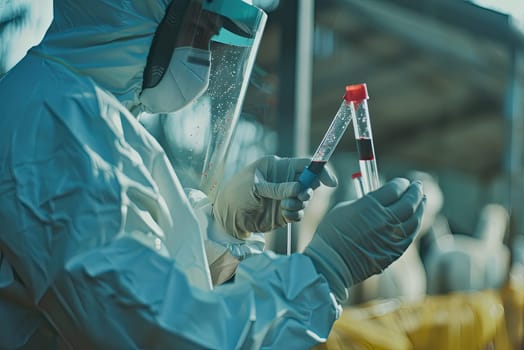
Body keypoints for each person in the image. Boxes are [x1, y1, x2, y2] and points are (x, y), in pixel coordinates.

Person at [0, 0, 426, 348]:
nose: (206, 54)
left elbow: (131, 257)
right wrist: (324, 271)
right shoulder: (58, 124)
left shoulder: (75, 107)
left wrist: (220, 226)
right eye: (200, 26)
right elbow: (157, 331)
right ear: (138, 10)